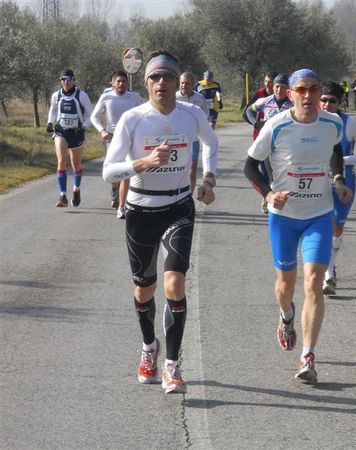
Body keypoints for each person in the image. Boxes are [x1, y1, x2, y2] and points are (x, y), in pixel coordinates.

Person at [102, 50, 219, 394]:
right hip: (140, 210)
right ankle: (148, 348)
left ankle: (172, 364)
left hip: (179, 205)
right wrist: (144, 162)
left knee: (174, 285)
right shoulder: (133, 119)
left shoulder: (192, 114)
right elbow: (109, 170)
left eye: (168, 77)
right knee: (144, 288)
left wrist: (208, 180)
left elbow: (211, 143)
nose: (162, 83)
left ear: (178, 80)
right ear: (146, 82)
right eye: (154, 77)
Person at [244, 69, 352, 384]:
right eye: (301, 89)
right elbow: (250, 165)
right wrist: (269, 194)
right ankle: (287, 316)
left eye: (313, 89)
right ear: (290, 94)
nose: (308, 95)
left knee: (314, 282)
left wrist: (338, 179)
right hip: (285, 217)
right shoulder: (276, 126)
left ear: (320, 93)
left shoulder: (332, 123)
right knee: (285, 286)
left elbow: (334, 151)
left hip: (319, 213)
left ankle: (307, 355)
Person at [319, 81, 356, 295]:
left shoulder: (349, 123)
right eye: (323, 100)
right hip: (317, 182)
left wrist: (341, 161)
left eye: (332, 101)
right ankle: (328, 273)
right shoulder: (312, 120)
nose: (326, 104)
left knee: (337, 229)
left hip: (345, 182)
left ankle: (329, 264)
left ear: (339, 102)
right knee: (324, 225)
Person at [91, 70, 144, 218]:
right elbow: (94, 117)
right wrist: (101, 131)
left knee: (126, 172)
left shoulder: (134, 97)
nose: (121, 84)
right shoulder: (106, 97)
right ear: (112, 83)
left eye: (124, 81)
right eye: (118, 81)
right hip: (112, 139)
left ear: (127, 83)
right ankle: (115, 189)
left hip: (131, 139)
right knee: (114, 173)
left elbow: (145, 111)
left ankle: (122, 207)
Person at [246, 73, 294, 213]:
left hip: (286, 146)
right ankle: (267, 197)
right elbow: (248, 110)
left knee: (283, 173)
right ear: (273, 87)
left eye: (283, 87)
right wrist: (257, 123)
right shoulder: (264, 101)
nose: (279, 90)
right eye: (277, 87)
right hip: (268, 144)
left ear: (288, 90)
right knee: (267, 174)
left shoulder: (292, 104)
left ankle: (285, 199)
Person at [47, 69, 94, 208]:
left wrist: (84, 127)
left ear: (74, 80)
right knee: (61, 161)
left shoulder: (82, 95)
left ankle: (76, 189)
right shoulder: (56, 95)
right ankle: (63, 196)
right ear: (60, 81)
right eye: (63, 79)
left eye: (68, 79)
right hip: (61, 131)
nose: (66, 82)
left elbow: (92, 114)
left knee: (76, 165)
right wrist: (50, 122)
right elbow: (53, 109)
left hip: (77, 133)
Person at [176, 71, 210, 193]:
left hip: (193, 140)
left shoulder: (199, 98)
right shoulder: (174, 97)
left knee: (193, 168)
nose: (184, 86)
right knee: (177, 168)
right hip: (176, 140)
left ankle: (188, 196)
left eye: (187, 83)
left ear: (193, 85)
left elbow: (205, 115)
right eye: (182, 83)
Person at [243, 71, 277, 140]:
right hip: (260, 135)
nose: (267, 84)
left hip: (277, 136)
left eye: (270, 82)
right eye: (265, 81)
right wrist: (256, 124)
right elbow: (247, 111)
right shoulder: (260, 94)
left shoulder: (283, 96)